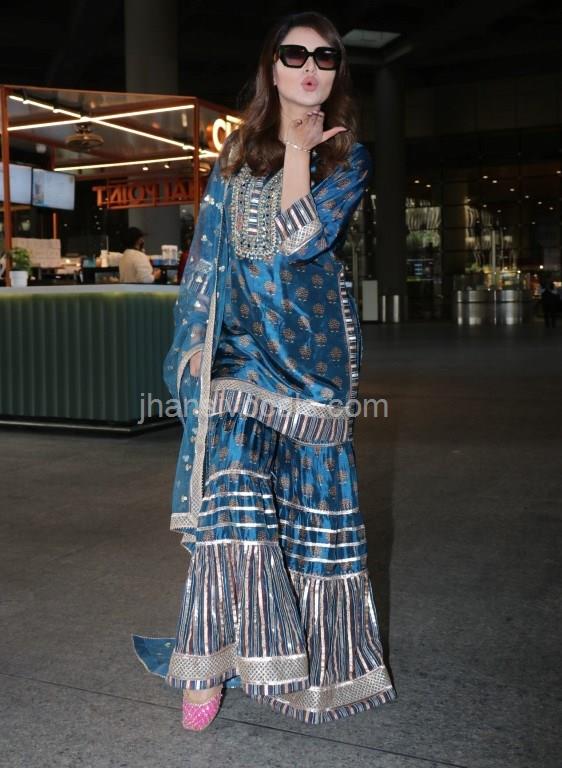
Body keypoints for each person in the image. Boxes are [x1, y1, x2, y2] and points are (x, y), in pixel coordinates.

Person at [132, 10, 397, 729]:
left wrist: (301, 152)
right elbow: (208, 253)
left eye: (325, 56)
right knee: (234, 498)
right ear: (271, 67)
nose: (310, 67)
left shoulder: (349, 157)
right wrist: (194, 336)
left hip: (312, 363)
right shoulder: (235, 155)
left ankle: (307, 669)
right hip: (239, 353)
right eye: (294, 54)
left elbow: (297, 241)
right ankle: (208, 662)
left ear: (338, 71)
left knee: (311, 516)